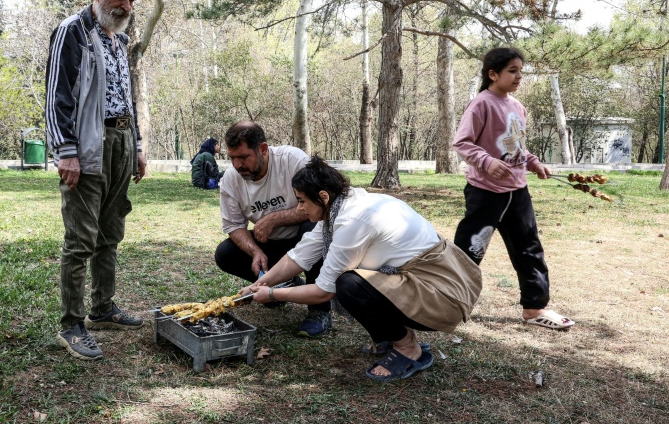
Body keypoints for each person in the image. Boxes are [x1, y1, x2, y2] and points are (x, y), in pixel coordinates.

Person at [239, 156, 482, 381]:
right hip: (427, 284)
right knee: (353, 281)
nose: (300, 208)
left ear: (323, 197)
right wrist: (261, 283)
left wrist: (271, 294)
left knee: (349, 285)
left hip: (443, 296)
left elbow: (324, 291)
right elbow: (298, 256)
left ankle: (409, 349)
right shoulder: (344, 206)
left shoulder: (353, 220)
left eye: (302, 201)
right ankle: (393, 337)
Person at [45, 0, 147, 361]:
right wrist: (65, 150)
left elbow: (128, 100)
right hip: (89, 143)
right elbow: (59, 96)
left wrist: (136, 145)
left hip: (122, 141)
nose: (126, 5)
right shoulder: (74, 31)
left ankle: (103, 308)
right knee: (81, 238)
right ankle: (72, 324)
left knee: (111, 229)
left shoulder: (118, 41)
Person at [452, 47, 575, 330]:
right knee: (470, 250)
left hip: (517, 193)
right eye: (512, 71)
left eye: (521, 71)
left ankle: (535, 308)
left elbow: (517, 146)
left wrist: (533, 162)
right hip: (485, 193)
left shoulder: (518, 107)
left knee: (529, 248)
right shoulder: (481, 104)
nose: (519, 76)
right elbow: (462, 143)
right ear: (493, 74)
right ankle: (449, 303)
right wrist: (486, 162)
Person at [215, 121, 332, 337]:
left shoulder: (293, 160)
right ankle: (281, 285)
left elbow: (321, 206)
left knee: (316, 228)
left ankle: (319, 311)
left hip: (301, 236)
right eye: (232, 158)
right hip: (269, 244)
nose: (237, 165)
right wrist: (255, 251)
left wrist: (275, 219)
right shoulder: (231, 180)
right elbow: (233, 226)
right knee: (225, 253)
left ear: (262, 149)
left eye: (243, 157)